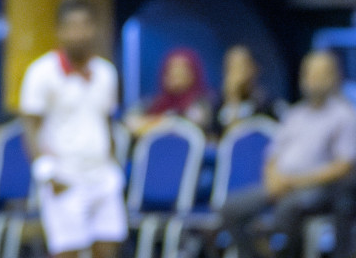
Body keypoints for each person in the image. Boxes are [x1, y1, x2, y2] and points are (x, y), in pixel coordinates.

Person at [220, 51, 356, 258]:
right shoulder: (295, 114)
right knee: (231, 208)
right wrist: (273, 178)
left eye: (320, 74)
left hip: (318, 188)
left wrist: (296, 182)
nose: (313, 79)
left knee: (288, 207)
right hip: (280, 183)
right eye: (309, 73)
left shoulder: (344, 115)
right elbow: (273, 154)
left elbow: (343, 166)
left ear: (334, 76)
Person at [19, 0, 127, 258]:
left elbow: (107, 122)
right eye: (72, 26)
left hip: (102, 175)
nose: (79, 33)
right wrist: (47, 173)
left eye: (85, 25)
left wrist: (113, 166)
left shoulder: (106, 73)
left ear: (95, 29)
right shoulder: (41, 72)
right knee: (68, 252)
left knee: (108, 248)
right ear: (60, 31)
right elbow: (30, 128)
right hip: (64, 176)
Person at [126, 47, 214, 137]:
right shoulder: (154, 103)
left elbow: (189, 124)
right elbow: (130, 120)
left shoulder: (202, 103)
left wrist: (162, 122)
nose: (175, 74)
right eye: (171, 70)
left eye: (181, 70)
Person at [214, 44, 281, 138]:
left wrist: (235, 96)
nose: (236, 73)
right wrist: (232, 98)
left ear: (254, 68)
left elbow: (240, 141)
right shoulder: (216, 104)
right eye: (231, 67)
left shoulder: (266, 105)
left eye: (241, 67)